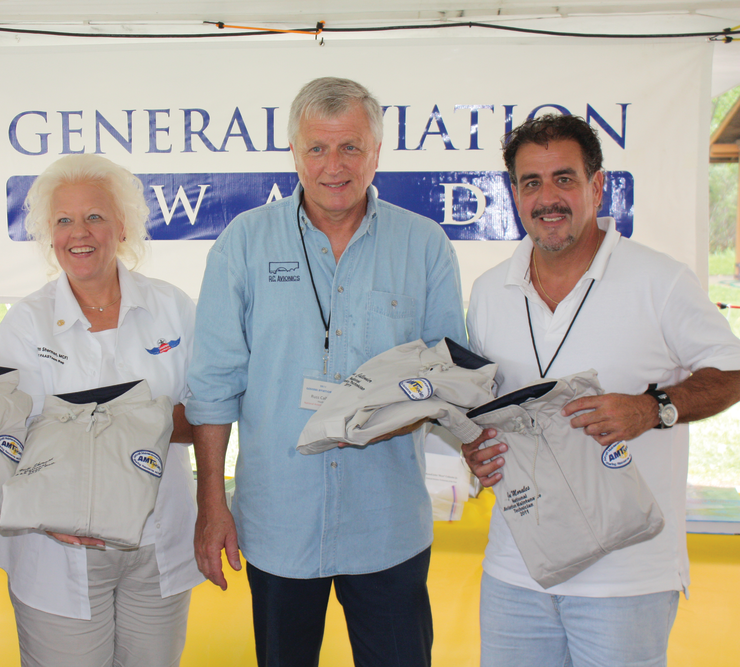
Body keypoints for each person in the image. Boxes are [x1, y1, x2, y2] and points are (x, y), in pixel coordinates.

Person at [186, 76, 466, 667]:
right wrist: (212, 505)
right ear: (294, 152)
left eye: (350, 147)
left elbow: (449, 373)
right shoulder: (242, 245)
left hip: (387, 525)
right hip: (278, 523)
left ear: (377, 152)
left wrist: (391, 416)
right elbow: (212, 388)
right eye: (317, 148)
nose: (333, 166)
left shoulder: (425, 245)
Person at [462, 113, 740, 667]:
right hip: (515, 572)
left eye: (564, 179)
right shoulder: (490, 291)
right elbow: (484, 405)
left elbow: (732, 369)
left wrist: (654, 408)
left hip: (627, 579)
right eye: (531, 183)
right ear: (513, 193)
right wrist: (475, 445)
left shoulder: (660, 281)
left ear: (597, 184)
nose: (548, 198)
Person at [0, 154, 204, 667]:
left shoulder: (172, 308)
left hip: (157, 542)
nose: (78, 233)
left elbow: (204, 416)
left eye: (95, 216)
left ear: (123, 226)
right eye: (63, 220)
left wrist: (108, 424)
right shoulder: (25, 323)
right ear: (48, 233)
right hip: (59, 543)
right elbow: (18, 434)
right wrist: (151, 417)